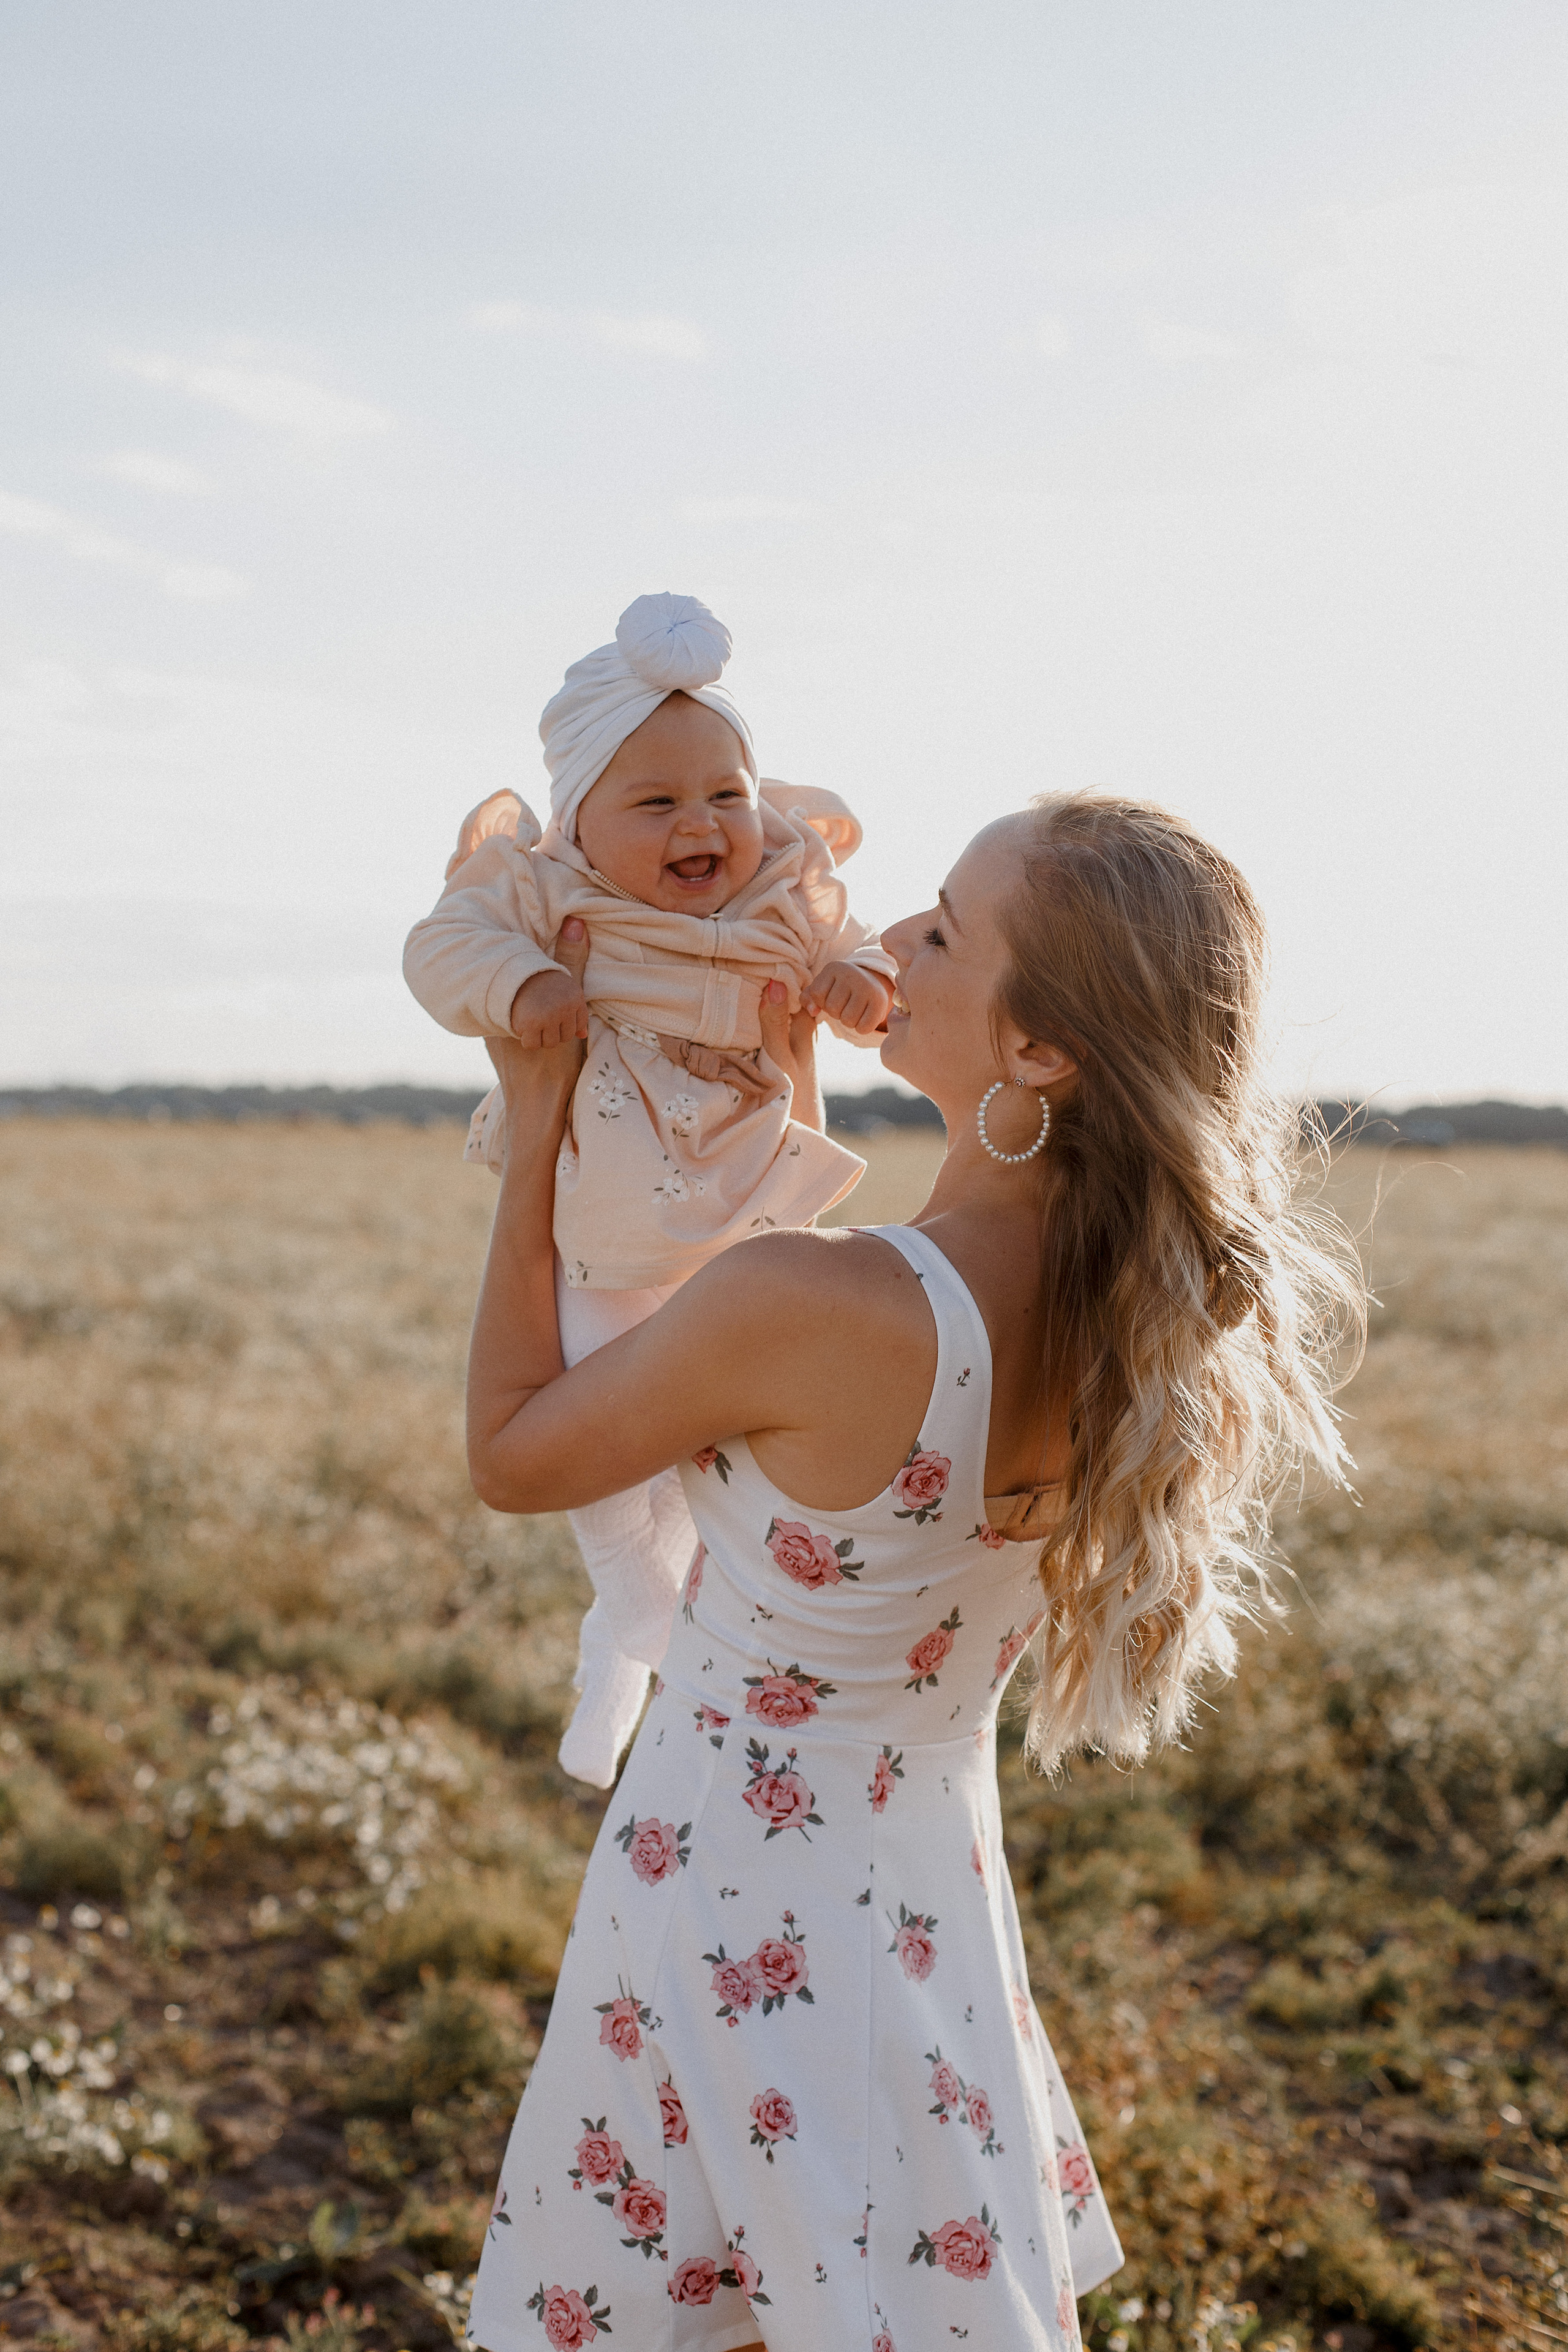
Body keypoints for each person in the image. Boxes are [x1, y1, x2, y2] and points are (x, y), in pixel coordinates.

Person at [461, 793, 1365, 2352]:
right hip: (920, 1891)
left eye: (942, 929)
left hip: (728, 1890)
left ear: (1041, 1054)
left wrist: (536, 1116)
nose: (884, 944)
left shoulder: (818, 1305)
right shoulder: (1134, 1324)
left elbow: (512, 1452)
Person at [404, 594, 895, 1785]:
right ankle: (630, 1621)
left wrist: (856, 986)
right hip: (613, 1215)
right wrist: (522, 988)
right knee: (595, 1424)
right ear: (580, 819)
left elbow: (850, 938)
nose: (703, 825)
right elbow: (440, 950)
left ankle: (632, 1651)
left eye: (724, 794)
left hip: (749, 1194)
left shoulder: (781, 878)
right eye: (657, 802)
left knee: (717, 1455)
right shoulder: (549, 891)